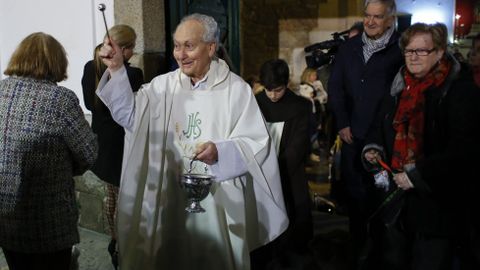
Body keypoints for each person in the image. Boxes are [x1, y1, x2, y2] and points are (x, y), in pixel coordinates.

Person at [96, 13, 288, 270]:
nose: (180, 54)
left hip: (216, 201)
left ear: (211, 48)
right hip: (169, 196)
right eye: (177, 45)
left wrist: (220, 152)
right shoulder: (162, 86)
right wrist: (117, 68)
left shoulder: (235, 90)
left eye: (189, 46)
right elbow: (130, 116)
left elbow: (257, 143)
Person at [362, 22, 480, 270]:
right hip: (398, 199)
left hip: (439, 201)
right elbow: (380, 122)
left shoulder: (459, 90)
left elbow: (464, 149)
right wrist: (375, 147)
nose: (413, 56)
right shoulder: (398, 85)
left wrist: (418, 173)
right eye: (408, 50)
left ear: (439, 52)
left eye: (421, 51)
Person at [0, 32, 98, 270]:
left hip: (6, 215)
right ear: (57, 62)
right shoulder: (59, 99)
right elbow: (88, 152)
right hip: (48, 218)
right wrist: (64, 166)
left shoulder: (1, 91)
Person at [327, 0, 404, 267]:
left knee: (383, 203)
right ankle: (357, 252)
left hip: (384, 143)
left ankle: (382, 257)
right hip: (352, 138)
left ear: (390, 20)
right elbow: (335, 88)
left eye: (377, 16)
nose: (370, 21)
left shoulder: (400, 51)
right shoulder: (349, 48)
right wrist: (342, 123)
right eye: (367, 15)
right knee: (356, 202)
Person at [81, 24, 144, 269]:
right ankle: (123, 243)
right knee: (125, 197)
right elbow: (137, 111)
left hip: (102, 139)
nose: (133, 53)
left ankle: (114, 240)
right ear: (125, 49)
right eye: (132, 47)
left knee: (111, 195)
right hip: (122, 141)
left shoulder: (90, 66)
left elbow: (89, 103)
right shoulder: (132, 74)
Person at [254, 59, 313, 267]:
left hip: (289, 170)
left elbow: (298, 144)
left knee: (293, 218)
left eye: (277, 90)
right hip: (260, 172)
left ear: (286, 84)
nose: (272, 95)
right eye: (268, 90)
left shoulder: (300, 106)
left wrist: (276, 169)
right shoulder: (256, 103)